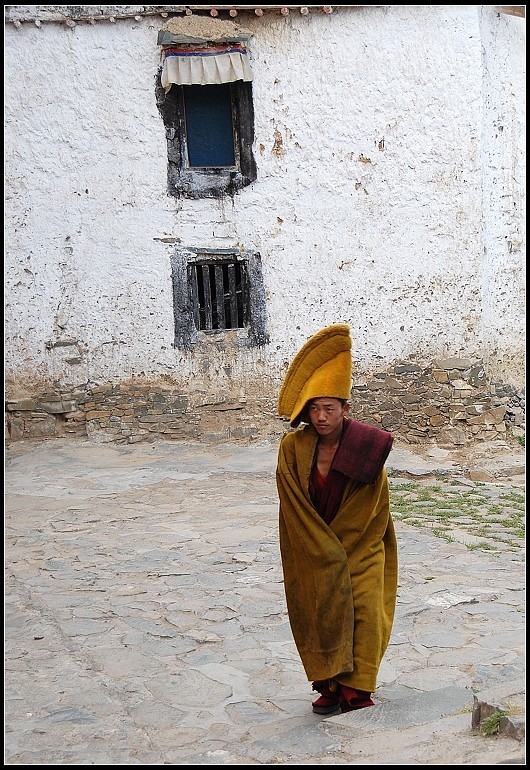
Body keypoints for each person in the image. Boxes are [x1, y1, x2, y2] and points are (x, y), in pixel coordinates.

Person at [275, 323, 398, 715]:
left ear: (346, 410)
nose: (322, 416)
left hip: (361, 544)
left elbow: (371, 505)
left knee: (364, 609)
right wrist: (323, 552)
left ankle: (356, 688)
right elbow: (292, 504)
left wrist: (342, 551)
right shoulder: (293, 449)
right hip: (313, 548)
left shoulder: (367, 446)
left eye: (330, 408)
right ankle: (329, 684)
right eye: (315, 408)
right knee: (320, 611)